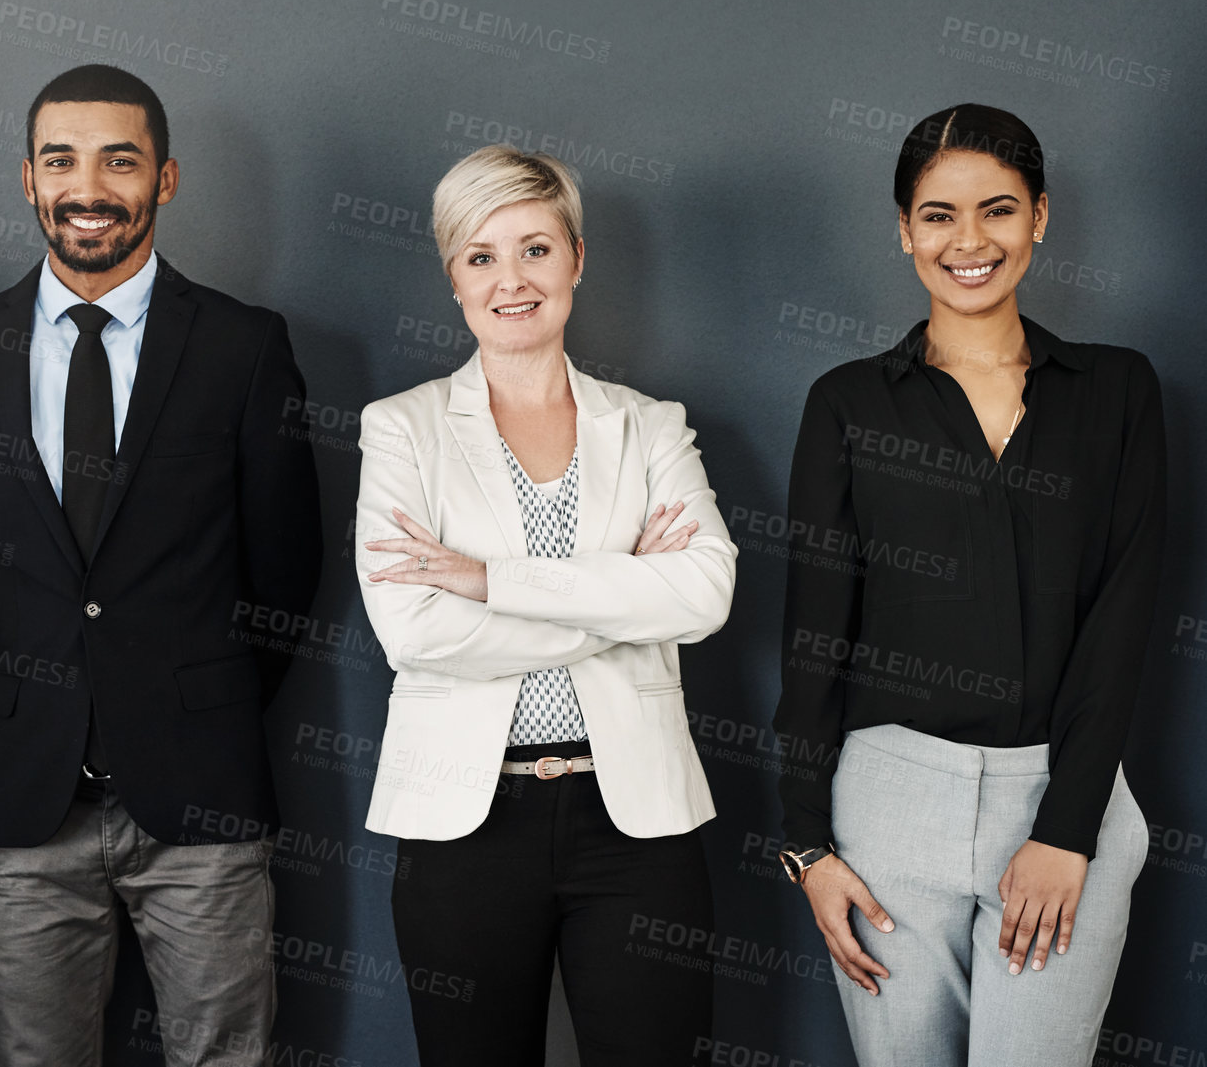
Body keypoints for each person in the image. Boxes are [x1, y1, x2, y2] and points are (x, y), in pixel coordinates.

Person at [0, 63, 322, 1067]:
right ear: (28, 178)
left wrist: (187, 695)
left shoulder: (242, 347)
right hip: (25, 794)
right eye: (62, 159)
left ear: (164, 180)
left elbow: (285, 571)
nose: (88, 185)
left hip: (203, 791)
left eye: (118, 159)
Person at [772, 104, 1163, 1064]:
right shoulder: (848, 401)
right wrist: (807, 847)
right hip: (890, 802)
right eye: (938, 215)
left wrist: (1068, 828)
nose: (969, 240)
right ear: (904, 229)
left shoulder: (1117, 390)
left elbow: (1124, 615)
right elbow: (815, 634)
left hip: (1064, 794)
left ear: (1040, 217)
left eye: (998, 209)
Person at [354, 144, 737, 1065]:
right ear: (453, 276)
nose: (510, 279)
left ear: (575, 259)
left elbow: (705, 591)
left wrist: (490, 579)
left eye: (534, 248)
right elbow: (413, 627)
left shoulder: (652, 426)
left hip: (636, 817)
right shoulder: (401, 428)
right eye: (480, 256)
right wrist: (621, 597)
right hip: (464, 820)